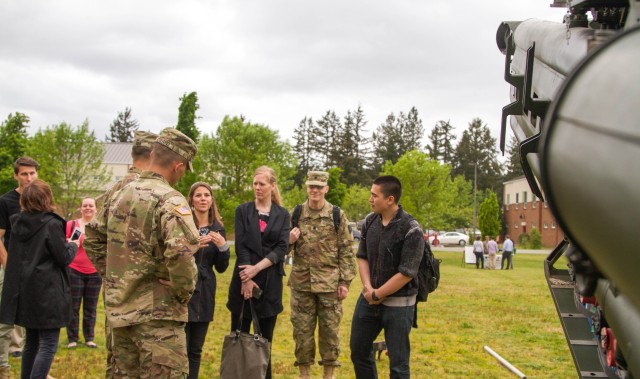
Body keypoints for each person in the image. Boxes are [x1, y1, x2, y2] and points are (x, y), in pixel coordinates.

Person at [84, 127, 199, 378]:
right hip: (159, 320)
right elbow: (181, 252)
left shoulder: (119, 192)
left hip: (121, 317)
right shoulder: (171, 199)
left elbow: (91, 239)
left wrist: (117, 277)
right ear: (179, 166)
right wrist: (182, 290)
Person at [90, 130, 157, 378]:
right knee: (140, 361)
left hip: (116, 290)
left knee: (117, 358)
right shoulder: (151, 190)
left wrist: (110, 273)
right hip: (144, 293)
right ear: (153, 154)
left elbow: (93, 237)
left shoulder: (113, 191)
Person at [0, 179, 79, 379]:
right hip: (47, 292)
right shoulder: (51, 224)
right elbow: (63, 257)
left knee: (32, 342)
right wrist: (74, 244)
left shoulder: (18, 222)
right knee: (48, 344)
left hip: (25, 291)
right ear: (46, 198)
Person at [350, 175, 424, 379]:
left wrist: (379, 294)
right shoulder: (369, 221)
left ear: (390, 199)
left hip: (400, 305)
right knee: (358, 351)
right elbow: (362, 256)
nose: (370, 199)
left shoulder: (411, 229)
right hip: (369, 299)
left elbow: (407, 272)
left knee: (398, 365)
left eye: (375, 195)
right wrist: (368, 289)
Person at [288, 171, 355, 379]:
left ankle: (329, 375)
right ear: (307, 188)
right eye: (311, 186)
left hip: (329, 286)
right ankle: (305, 375)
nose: (315, 190)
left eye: (319, 187)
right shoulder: (296, 213)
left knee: (330, 333)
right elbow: (282, 248)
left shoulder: (337, 215)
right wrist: (288, 240)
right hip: (301, 286)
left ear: (326, 189)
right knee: (302, 333)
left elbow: (346, 249)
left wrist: (345, 282)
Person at [227, 166, 290, 379]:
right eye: (255, 183)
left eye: (262, 184)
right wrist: (247, 278)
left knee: (264, 344)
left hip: (269, 284)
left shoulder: (282, 214)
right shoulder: (242, 211)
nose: (257, 187)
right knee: (240, 339)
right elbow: (241, 245)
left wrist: (257, 269)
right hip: (243, 283)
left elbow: (281, 248)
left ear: (272, 186)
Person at [185, 182, 230, 379]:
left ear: (211, 200)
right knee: (179, 348)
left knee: (195, 349)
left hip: (205, 293)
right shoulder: (183, 225)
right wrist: (192, 246)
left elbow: (221, 268)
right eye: (198, 195)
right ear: (191, 200)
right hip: (183, 289)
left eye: (207, 195)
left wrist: (223, 248)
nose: (203, 199)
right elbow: (172, 255)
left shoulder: (218, 229)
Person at [0, 157, 39, 378]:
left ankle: (35, 367)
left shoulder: (41, 200)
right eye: (24, 174)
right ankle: (2, 368)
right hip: (11, 268)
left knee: (34, 320)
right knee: (5, 321)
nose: (28, 178)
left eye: (32, 173)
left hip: (36, 270)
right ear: (16, 175)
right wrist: (9, 267)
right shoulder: (6, 202)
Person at [65, 198, 102, 349]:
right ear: (80, 209)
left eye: (91, 206)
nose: (88, 208)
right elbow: (64, 242)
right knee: (73, 306)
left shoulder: (100, 226)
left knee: (91, 307)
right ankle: (72, 339)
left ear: (96, 209)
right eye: (85, 205)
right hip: (75, 269)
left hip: (94, 271)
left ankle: (89, 338)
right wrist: (69, 241)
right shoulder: (72, 225)